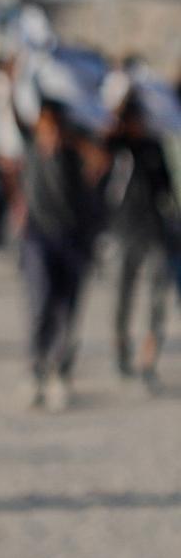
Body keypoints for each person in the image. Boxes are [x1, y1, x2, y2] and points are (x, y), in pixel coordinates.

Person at [18, 100, 106, 411]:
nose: (50, 132)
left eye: (56, 126)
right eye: (45, 125)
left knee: (67, 310)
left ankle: (60, 372)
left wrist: (72, 141)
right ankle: (36, 370)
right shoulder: (29, 145)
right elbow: (13, 106)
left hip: (74, 240)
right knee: (41, 304)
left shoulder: (76, 151)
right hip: (38, 239)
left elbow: (102, 160)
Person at [106, 95, 178, 387]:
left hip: (157, 234)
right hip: (124, 233)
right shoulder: (115, 149)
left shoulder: (153, 147)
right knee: (122, 297)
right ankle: (121, 351)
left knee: (157, 300)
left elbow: (167, 189)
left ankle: (149, 360)